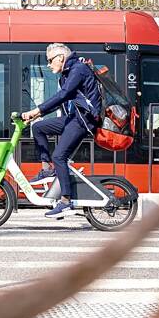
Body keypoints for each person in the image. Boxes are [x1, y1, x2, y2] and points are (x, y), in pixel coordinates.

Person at [21, 43, 101, 219]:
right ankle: (46, 169)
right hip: (74, 118)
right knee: (38, 127)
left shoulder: (78, 70)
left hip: (83, 120)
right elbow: (60, 100)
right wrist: (37, 116)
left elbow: (63, 95)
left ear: (60, 58)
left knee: (59, 156)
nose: (48, 65)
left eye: (50, 61)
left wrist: (37, 110)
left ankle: (66, 201)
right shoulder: (67, 74)